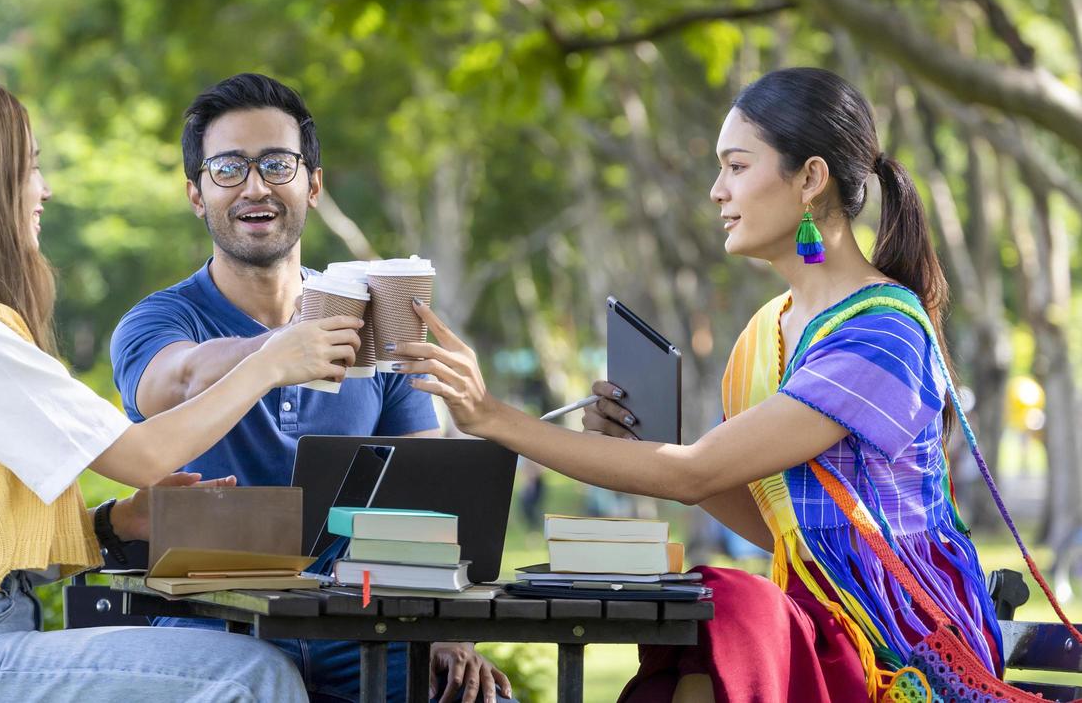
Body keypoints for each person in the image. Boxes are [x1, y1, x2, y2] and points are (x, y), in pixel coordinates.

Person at [400, 68, 1005, 702]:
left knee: (731, 605)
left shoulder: (882, 332)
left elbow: (692, 473)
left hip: (899, 641)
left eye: (737, 167)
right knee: (723, 618)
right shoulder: (762, 335)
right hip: (815, 623)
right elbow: (778, 529)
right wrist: (647, 446)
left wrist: (491, 416)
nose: (716, 191)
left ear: (811, 178)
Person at [0, 77, 364, 702]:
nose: (43, 188)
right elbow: (139, 455)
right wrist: (271, 361)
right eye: (28, 168)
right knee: (252, 675)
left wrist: (119, 522)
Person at [111, 73, 513, 703]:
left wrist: (443, 629)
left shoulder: (380, 319)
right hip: (212, 623)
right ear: (196, 194)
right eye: (227, 168)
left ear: (313, 184)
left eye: (277, 164)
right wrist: (276, 353)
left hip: (360, 625)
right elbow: (174, 380)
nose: (255, 186)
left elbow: (426, 499)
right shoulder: (159, 321)